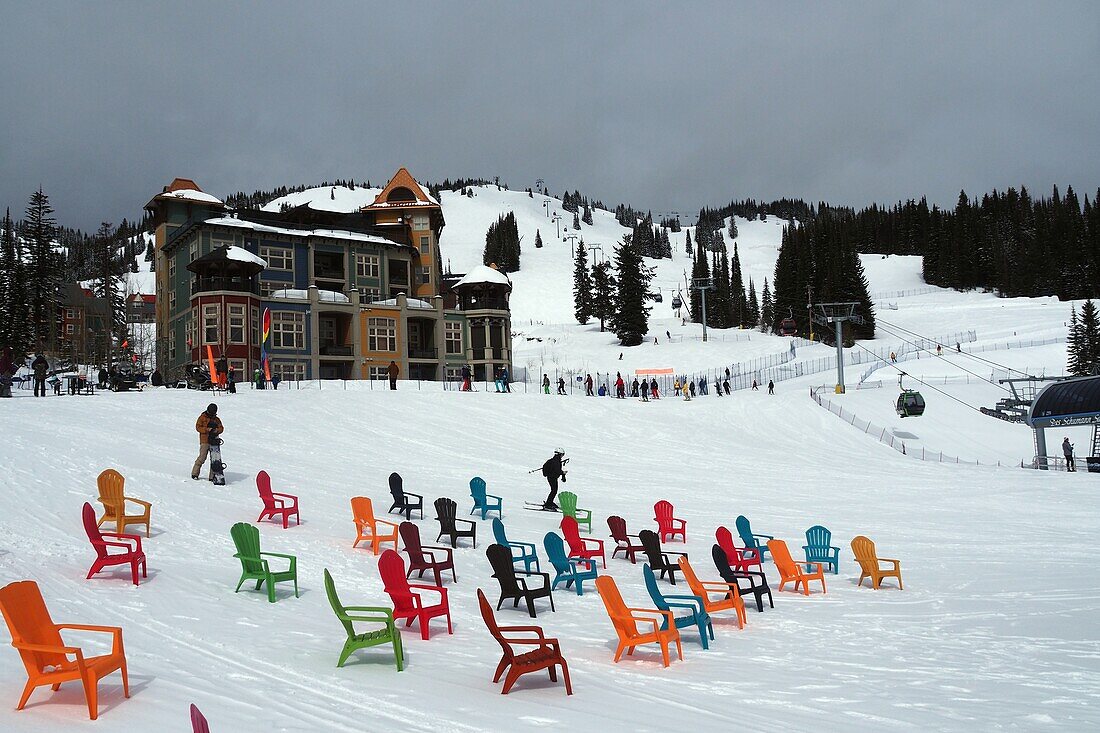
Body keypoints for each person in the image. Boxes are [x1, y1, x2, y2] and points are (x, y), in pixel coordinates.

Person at [192, 403, 224, 480]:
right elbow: (198, 427)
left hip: (214, 441)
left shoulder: (216, 419)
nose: (212, 415)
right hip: (205, 441)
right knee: (202, 457)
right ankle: (195, 474)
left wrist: (216, 430)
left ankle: (212, 476)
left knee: (215, 460)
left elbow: (221, 428)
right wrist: (207, 429)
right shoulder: (202, 418)